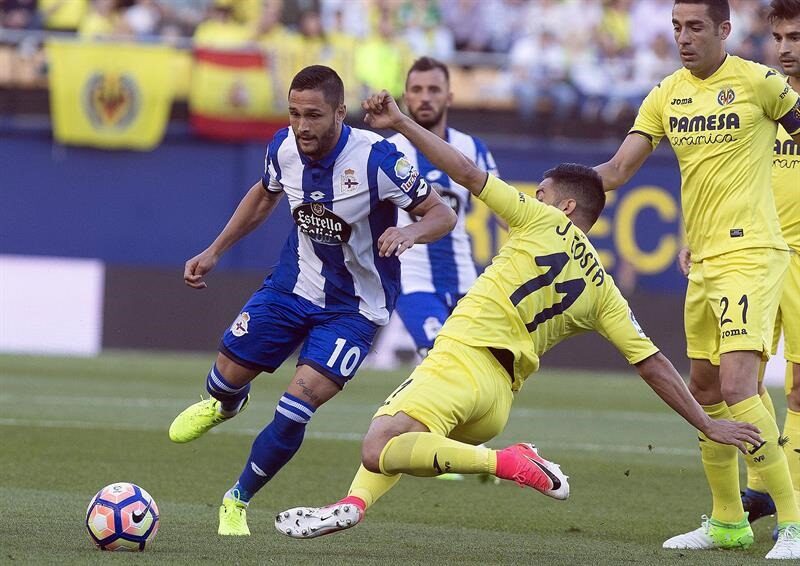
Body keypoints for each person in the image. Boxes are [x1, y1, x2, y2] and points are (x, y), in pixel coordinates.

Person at [273, 89, 762, 541]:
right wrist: (706, 422)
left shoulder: (540, 219)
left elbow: (467, 173)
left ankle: (508, 461)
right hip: (497, 400)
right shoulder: (604, 288)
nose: (535, 198)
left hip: (462, 359)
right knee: (404, 438)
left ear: (565, 206)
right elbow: (653, 364)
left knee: (379, 443)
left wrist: (401, 122)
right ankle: (354, 504)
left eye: (542, 193)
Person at [168, 65, 456, 536]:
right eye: (294, 113)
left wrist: (410, 232)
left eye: (314, 115)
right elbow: (264, 195)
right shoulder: (283, 147)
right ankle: (224, 405)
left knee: (296, 405)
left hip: (355, 309)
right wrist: (215, 250)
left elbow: (441, 213)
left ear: (340, 113)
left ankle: (236, 500)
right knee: (224, 378)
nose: (302, 126)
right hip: (292, 287)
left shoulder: (378, 160)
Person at [592, 0, 800, 558]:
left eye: (695, 27)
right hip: (703, 260)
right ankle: (728, 521)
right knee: (704, 390)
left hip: (752, 253)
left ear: (724, 30)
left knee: (738, 385)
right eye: (677, 27)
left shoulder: (759, 83)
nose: (683, 38)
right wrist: (561, 188)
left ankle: (794, 523)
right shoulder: (666, 94)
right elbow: (617, 170)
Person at [677, 0, 800, 536]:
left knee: (794, 388)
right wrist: (696, 235)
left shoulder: (767, 93)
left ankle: (788, 507)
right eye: (779, 37)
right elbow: (718, 176)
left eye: (796, 37)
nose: (786, 48)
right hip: (752, 254)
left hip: (785, 257)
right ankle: (756, 498)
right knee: (731, 381)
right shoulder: (759, 90)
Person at [380, 56, 498, 362]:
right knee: (442, 358)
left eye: (434, 90)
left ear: (449, 97)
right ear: (405, 97)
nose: (425, 97)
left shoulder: (472, 149)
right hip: (412, 280)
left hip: (465, 280)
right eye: (417, 90)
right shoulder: (387, 151)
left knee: (482, 367)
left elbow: (505, 210)